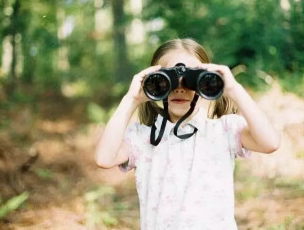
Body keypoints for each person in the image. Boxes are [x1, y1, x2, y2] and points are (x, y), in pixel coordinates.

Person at [95, 38, 280, 229]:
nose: (180, 88)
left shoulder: (224, 130)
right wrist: (131, 99)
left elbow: (270, 143)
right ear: (154, 81)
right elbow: (104, 158)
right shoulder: (142, 138)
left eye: (191, 80)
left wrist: (233, 89)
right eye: (170, 79)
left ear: (204, 83)